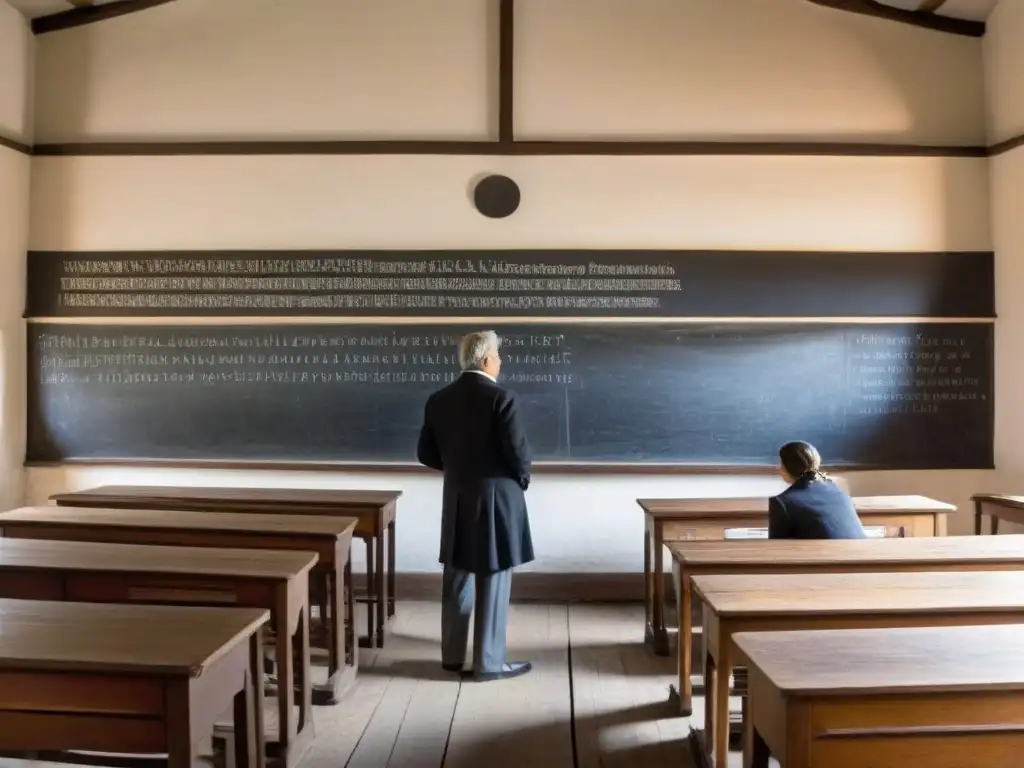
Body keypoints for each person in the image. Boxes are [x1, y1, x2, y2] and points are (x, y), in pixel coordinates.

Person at [417, 330, 534, 682]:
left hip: (456, 497)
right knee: (494, 574)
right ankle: (489, 662)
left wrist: (459, 472)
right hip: (497, 499)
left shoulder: (438, 400)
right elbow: (518, 453)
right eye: (498, 356)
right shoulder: (502, 398)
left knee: (457, 572)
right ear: (486, 360)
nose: (500, 362)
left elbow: (425, 453)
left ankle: (452, 656)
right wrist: (521, 479)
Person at [768, 441, 867, 540]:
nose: (779, 469)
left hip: (826, 554)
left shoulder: (782, 502)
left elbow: (776, 547)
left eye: (781, 464)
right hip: (861, 552)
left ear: (789, 467)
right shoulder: (837, 489)